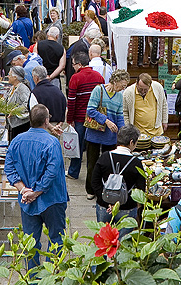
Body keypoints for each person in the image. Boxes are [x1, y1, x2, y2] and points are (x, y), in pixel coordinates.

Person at [3, 105, 69, 271]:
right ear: (47, 121)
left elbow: (9, 167)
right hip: (52, 199)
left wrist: (23, 190)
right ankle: (53, 275)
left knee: (30, 242)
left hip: (27, 201)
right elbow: (52, 172)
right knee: (56, 239)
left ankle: (32, 277)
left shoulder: (17, 140)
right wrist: (35, 191)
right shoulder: (52, 143)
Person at [85, 70, 130, 200]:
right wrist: (106, 121)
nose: (123, 88)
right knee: (92, 163)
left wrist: (122, 131)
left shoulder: (119, 96)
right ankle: (90, 189)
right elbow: (91, 110)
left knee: (107, 164)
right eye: (122, 85)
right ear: (115, 81)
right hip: (94, 133)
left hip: (110, 136)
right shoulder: (98, 90)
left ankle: (104, 188)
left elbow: (120, 115)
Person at [90, 125, 146, 229]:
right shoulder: (136, 163)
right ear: (131, 142)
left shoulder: (105, 157)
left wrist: (106, 202)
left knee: (104, 241)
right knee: (124, 242)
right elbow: (140, 189)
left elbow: (94, 182)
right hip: (127, 208)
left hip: (104, 206)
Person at [66, 51, 104, 180]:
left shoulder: (75, 78)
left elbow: (71, 101)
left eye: (73, 65)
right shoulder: (99, 77)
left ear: (79, 64)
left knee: (78, 146)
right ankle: (93, 175)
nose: (73, 67)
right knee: (93, 149)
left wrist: (69, 119)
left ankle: (73, 172)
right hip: (94, 118)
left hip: (79, 118)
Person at [122, 73, 168, 145]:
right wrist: (129, 128)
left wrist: (165, 121)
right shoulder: (128, 92)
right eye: (140, 89)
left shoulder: (158, 87)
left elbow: (164, 104)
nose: (143, 91)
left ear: (150, 85)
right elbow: (125, 112)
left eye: (145, 89)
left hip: (156, 131)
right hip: (138, 133)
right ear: (136, 83)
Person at [5, 66, 32, 139]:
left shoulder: (23, 89)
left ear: (15, 77)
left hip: (20, 125)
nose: (8, 76)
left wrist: (15, 111)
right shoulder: (13, 87)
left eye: (9, 75)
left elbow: (26, 105)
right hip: (14, 124)